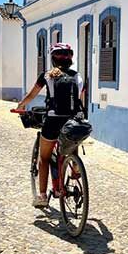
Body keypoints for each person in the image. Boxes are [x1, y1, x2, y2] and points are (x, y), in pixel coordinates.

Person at [16, 43, 86, 208]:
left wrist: (21, 106)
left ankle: (41, 196)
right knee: (70, 144)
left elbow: (32, 95)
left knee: (44, 158)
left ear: (53, 58)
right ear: (71, 58)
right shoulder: (78, 77)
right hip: (73, 121)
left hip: (53, 120)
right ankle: (75, 166)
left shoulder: (47, 76)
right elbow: (80, 100)